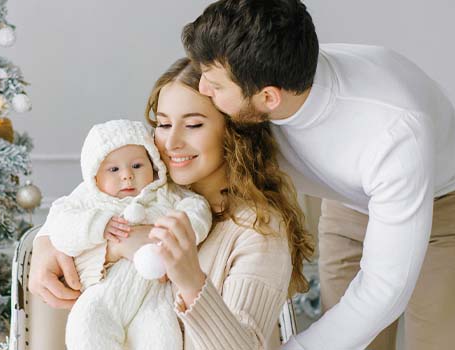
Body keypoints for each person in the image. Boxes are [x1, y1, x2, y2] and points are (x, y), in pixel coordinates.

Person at [182, 1, 455, 349]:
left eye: (215, 85)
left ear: (269, 97)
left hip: (446, 201)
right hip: (348, 199)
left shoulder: (392, 131)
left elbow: (384, 289)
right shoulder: (262, 71)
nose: (203, 90)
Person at [29, 57, 315, 349]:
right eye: (163, 124)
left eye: (193, 125)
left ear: (233, 133)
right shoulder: (148, 186)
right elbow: (75, 209)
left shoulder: (258, 230)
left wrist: (192, 281)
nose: (171, 142)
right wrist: (51, 242)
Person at [41, 119, 213, 350]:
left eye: (137, 166)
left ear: (153, 166)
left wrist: (175, 233)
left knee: (161, 338)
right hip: (105, 292)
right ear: (94, 176)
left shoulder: (166, 195)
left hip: (153, 298)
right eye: (113, 169)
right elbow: (61, 227)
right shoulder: (89, 201)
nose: (127, 176)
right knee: (87, 326)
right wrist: (98, 225)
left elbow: (197, 211)